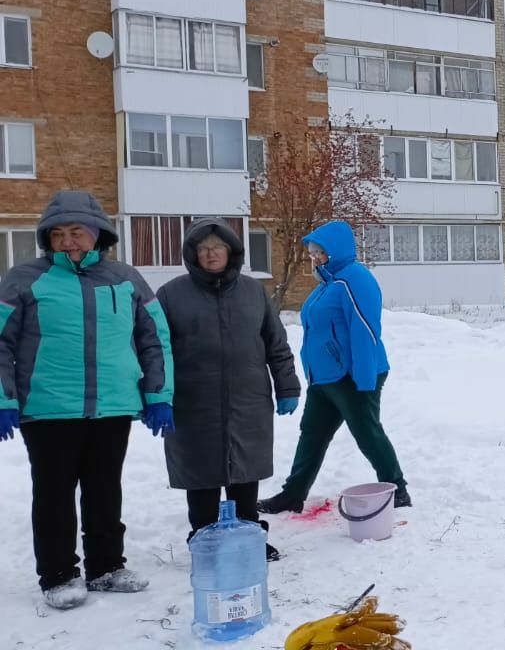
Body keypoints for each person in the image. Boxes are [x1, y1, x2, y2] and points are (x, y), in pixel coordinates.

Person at [0, 191, 174, 610]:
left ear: (98, 235)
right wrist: (4, 398)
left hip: (112, 405)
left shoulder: (125, 278)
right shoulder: (24, 278)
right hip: (47, 406)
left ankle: (107, 567)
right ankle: (58, 575)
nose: (67, 241)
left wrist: (158, 393)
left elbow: (155, 339)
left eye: (76, 232)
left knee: (104, 489)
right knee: (54, 493)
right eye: (57, 234)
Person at [156, 220, 300, 561]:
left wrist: (287, 385)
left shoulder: (253, 292)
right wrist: (157, 395)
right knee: (201, 472)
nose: (210, 255)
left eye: (216, 248)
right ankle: (205, 537)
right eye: (202, 249)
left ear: (230, 252)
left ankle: (249, 535)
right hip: (193, 401)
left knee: (245, 471)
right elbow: (155, 350)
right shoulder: (171, 295)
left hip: (247, 397)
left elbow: (275, 343)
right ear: (192, 254)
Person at [259, 220, 409, 515]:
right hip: (325, 378)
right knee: (311, 434)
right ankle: (293, 494)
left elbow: (365, 330)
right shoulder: (327, 284)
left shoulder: (354, 279)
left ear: (336, 250)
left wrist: (363, 378)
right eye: (313, 253)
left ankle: (398, 489)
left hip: (351, 375)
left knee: (366, 432)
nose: (315, 257)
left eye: (320, 252)